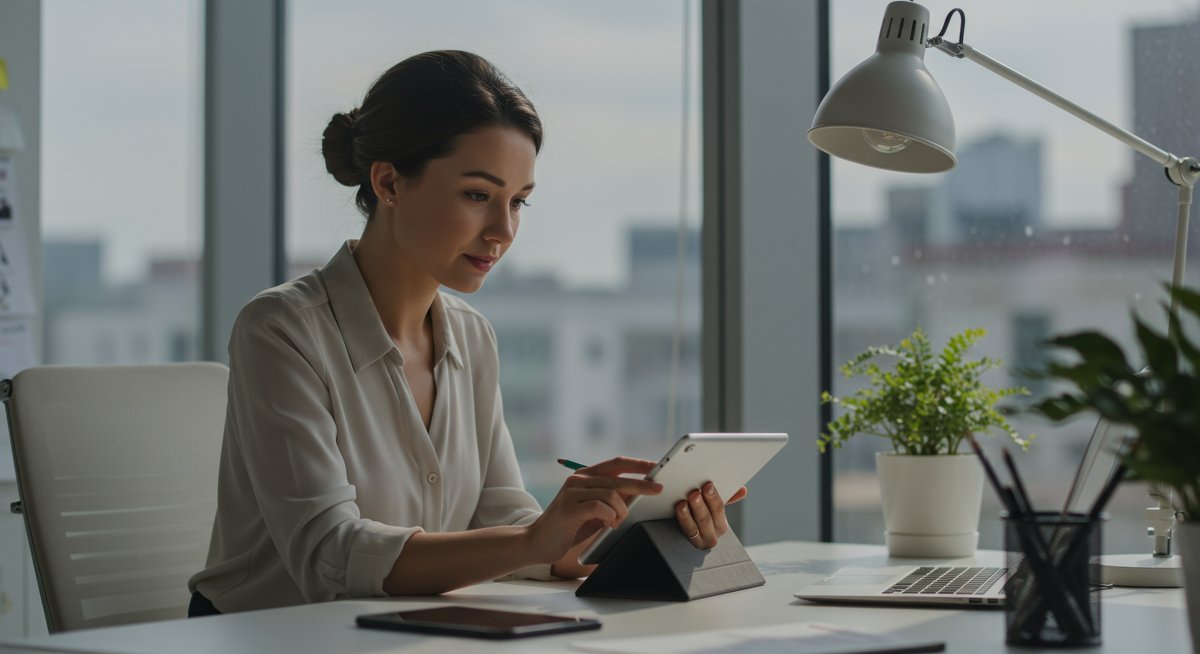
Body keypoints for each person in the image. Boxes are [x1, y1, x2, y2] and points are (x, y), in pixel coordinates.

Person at [187, 50, 743, 617]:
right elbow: (329, 557)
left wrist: (625, 530)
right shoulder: (281, 330)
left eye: (518, 202)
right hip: (265, 635)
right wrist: (530, 541)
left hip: (399, 631)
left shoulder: (472, 337)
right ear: (389, 182)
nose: (503, 230)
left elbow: (502, 522)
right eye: (478, 195)